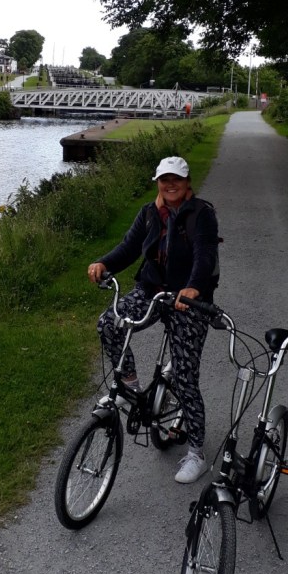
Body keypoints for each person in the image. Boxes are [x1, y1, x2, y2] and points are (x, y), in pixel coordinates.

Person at [87, 155, 220, 484]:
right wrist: (104, 264)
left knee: (186, 379)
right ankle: (128, 385)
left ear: (187, 182)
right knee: (109, 323)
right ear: (158, 182)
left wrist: (193, 288)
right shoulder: (149, 213)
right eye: (164, 179)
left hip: (187, 301)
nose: (170, 184)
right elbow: (129, 247)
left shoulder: (202, 214)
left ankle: (196, 454)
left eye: (176, 179)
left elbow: (204, 256)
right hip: (150, 290)